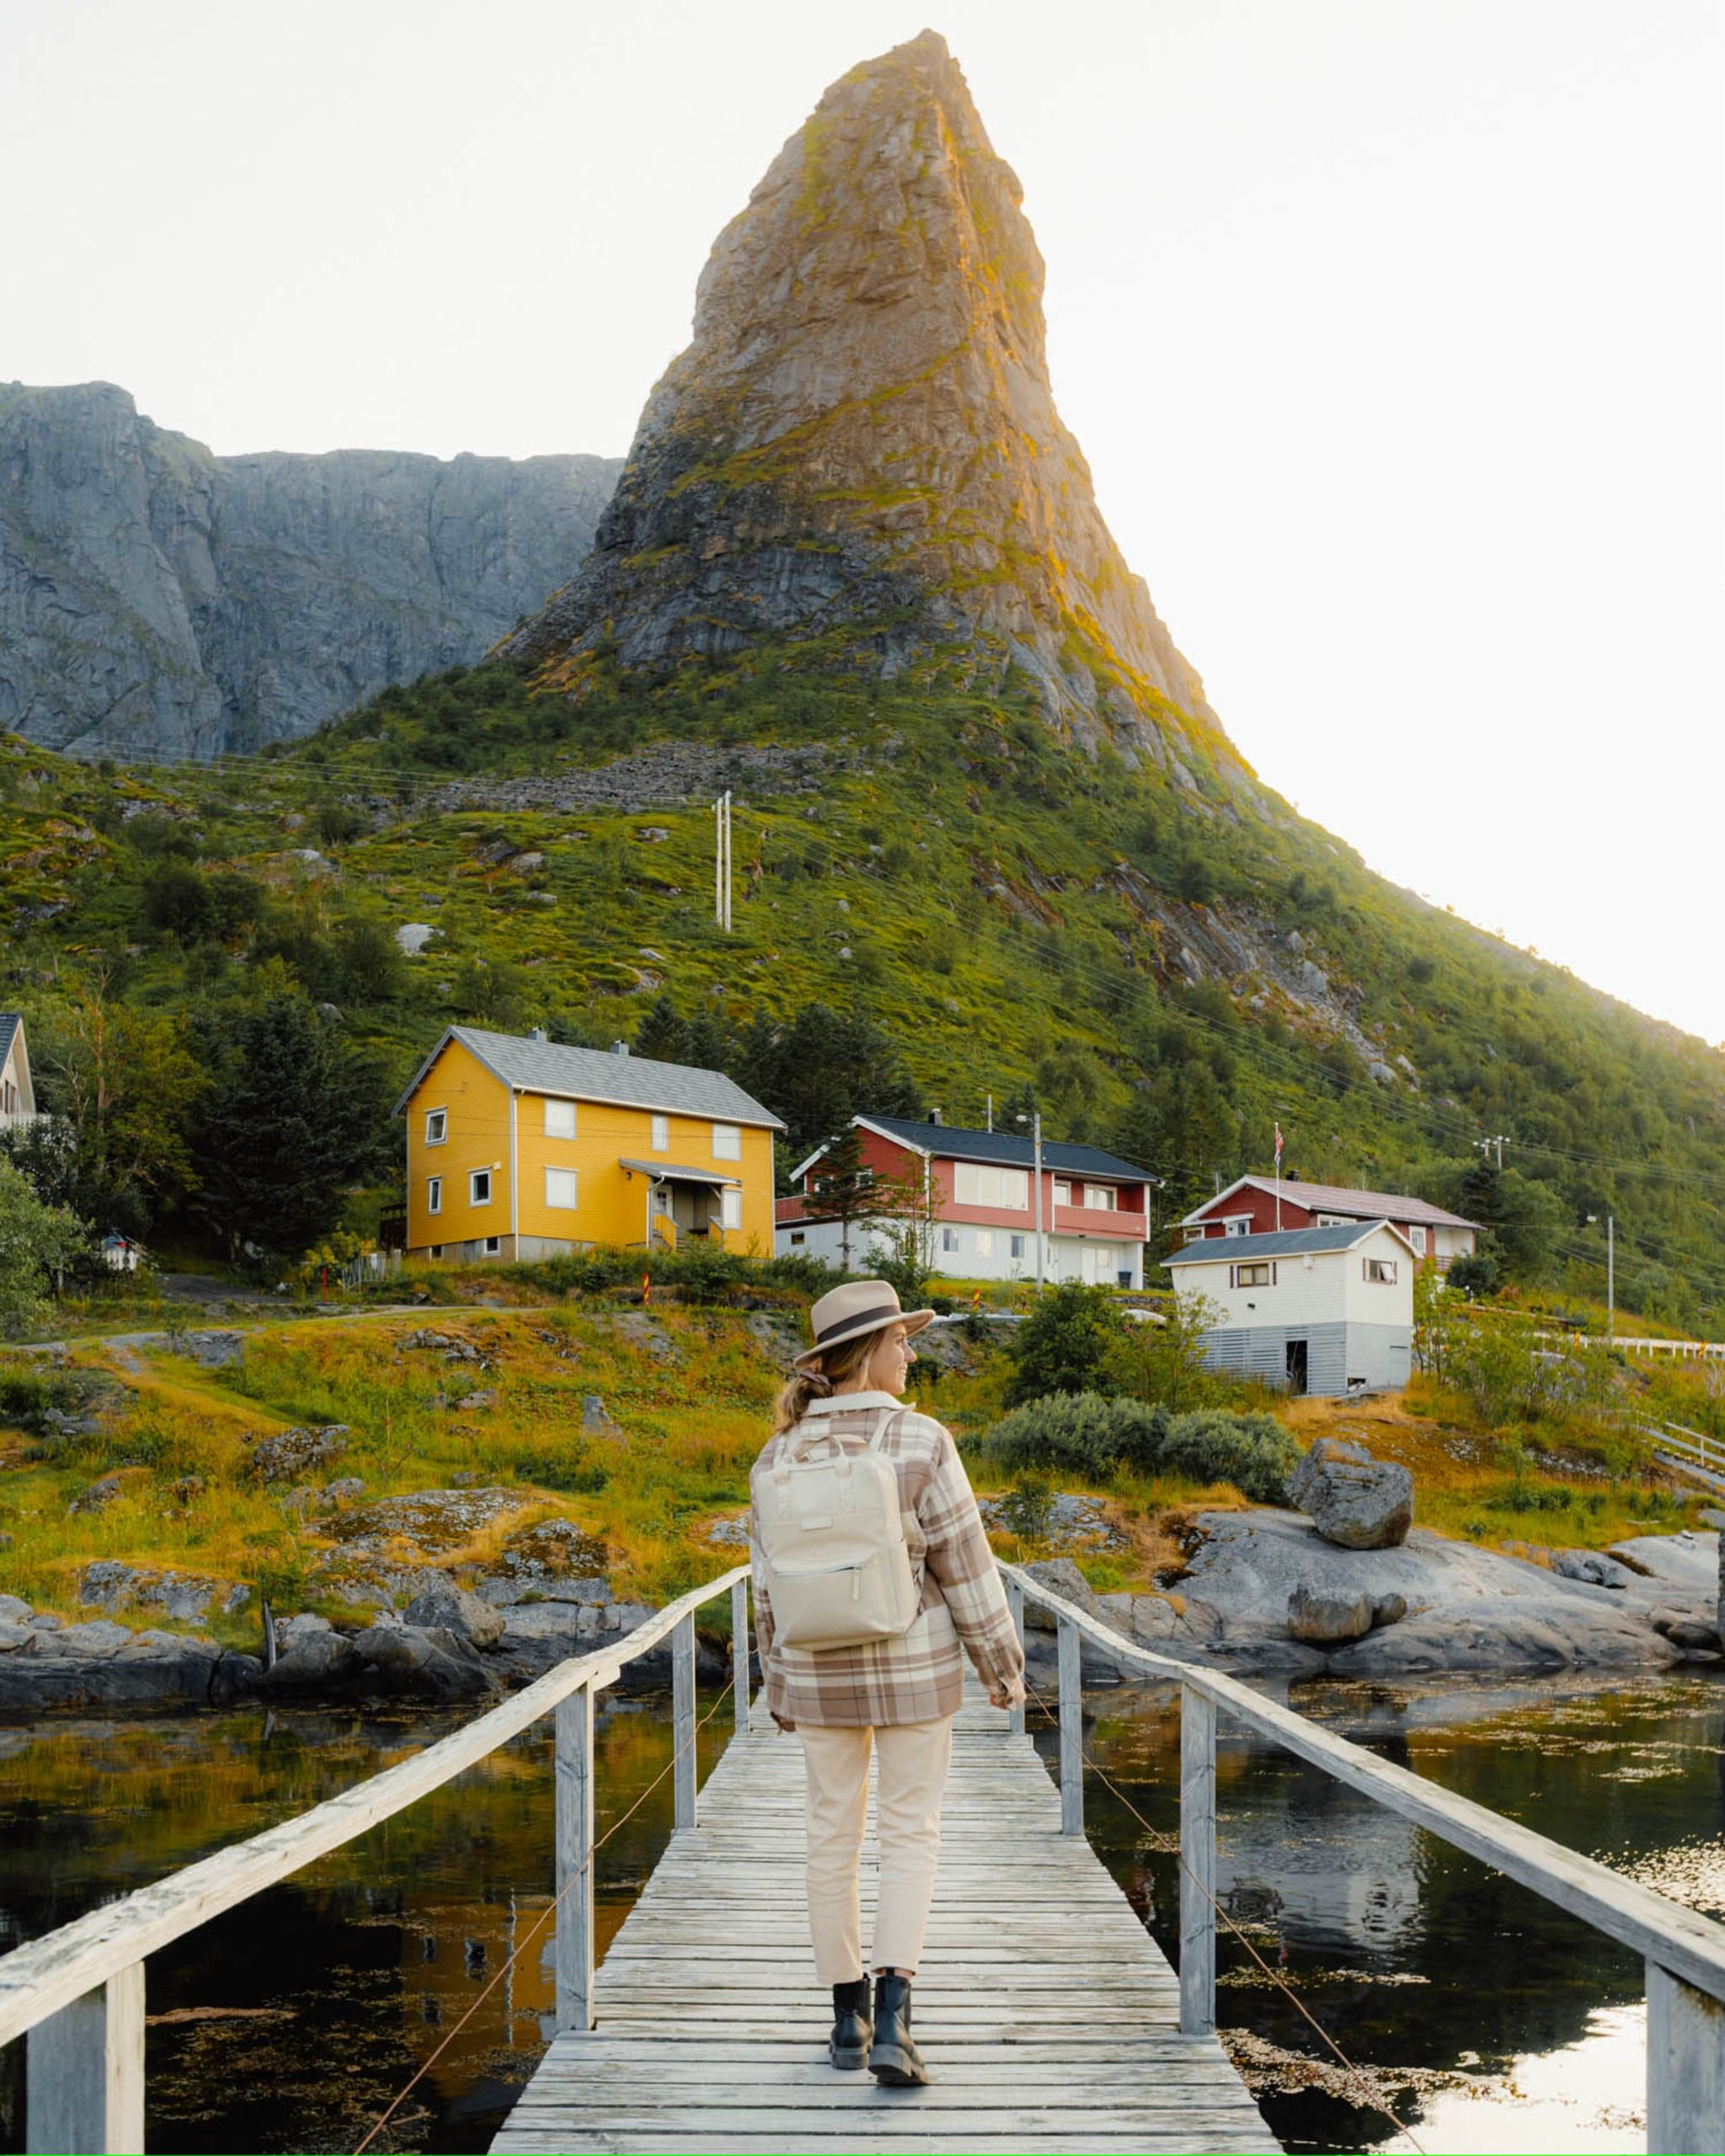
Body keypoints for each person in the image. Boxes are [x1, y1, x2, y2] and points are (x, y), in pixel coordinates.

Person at [748, 1279, 1026, 2088]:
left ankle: (844, 2017)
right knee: (911, 1831)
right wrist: (1002, 1670)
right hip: (914, 1667)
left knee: (830, 1834)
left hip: (818, 1671)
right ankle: (895, 2024)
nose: (912, 1353)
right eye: (902, 1341)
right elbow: (967, 1567)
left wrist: (777, 1685)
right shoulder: (921, 1440)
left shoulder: (779, 1453)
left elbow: (766, 1585)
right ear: (867, 1352)